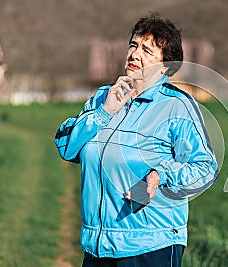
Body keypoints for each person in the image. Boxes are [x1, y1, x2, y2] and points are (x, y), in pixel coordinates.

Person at [55, 13, 218, 267]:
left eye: (147, 50)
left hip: (151, 247)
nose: (135, 54)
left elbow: (205, 167)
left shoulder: (176, 106)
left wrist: (159, 176)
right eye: (133, 45)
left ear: (165, 65)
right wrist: (103, 113)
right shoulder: (103, 98)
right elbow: (66, 147)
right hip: (97, 248)